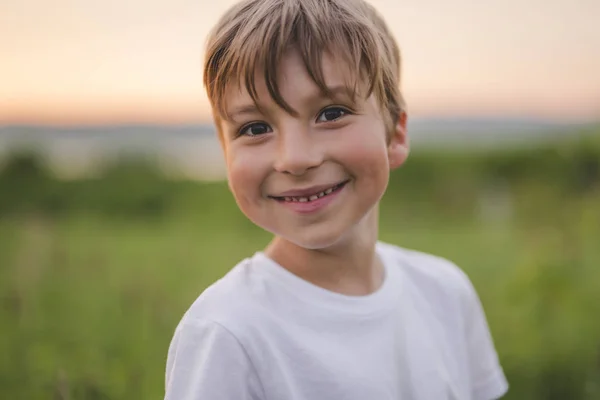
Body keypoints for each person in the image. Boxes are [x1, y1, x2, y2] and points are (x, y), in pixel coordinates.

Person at [164, 0, 509, 399]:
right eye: (255, 127)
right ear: (225, 152)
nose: (295, 158)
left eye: (331, 113)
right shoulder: (226, 333)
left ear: (395, 135)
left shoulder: (447, 294)